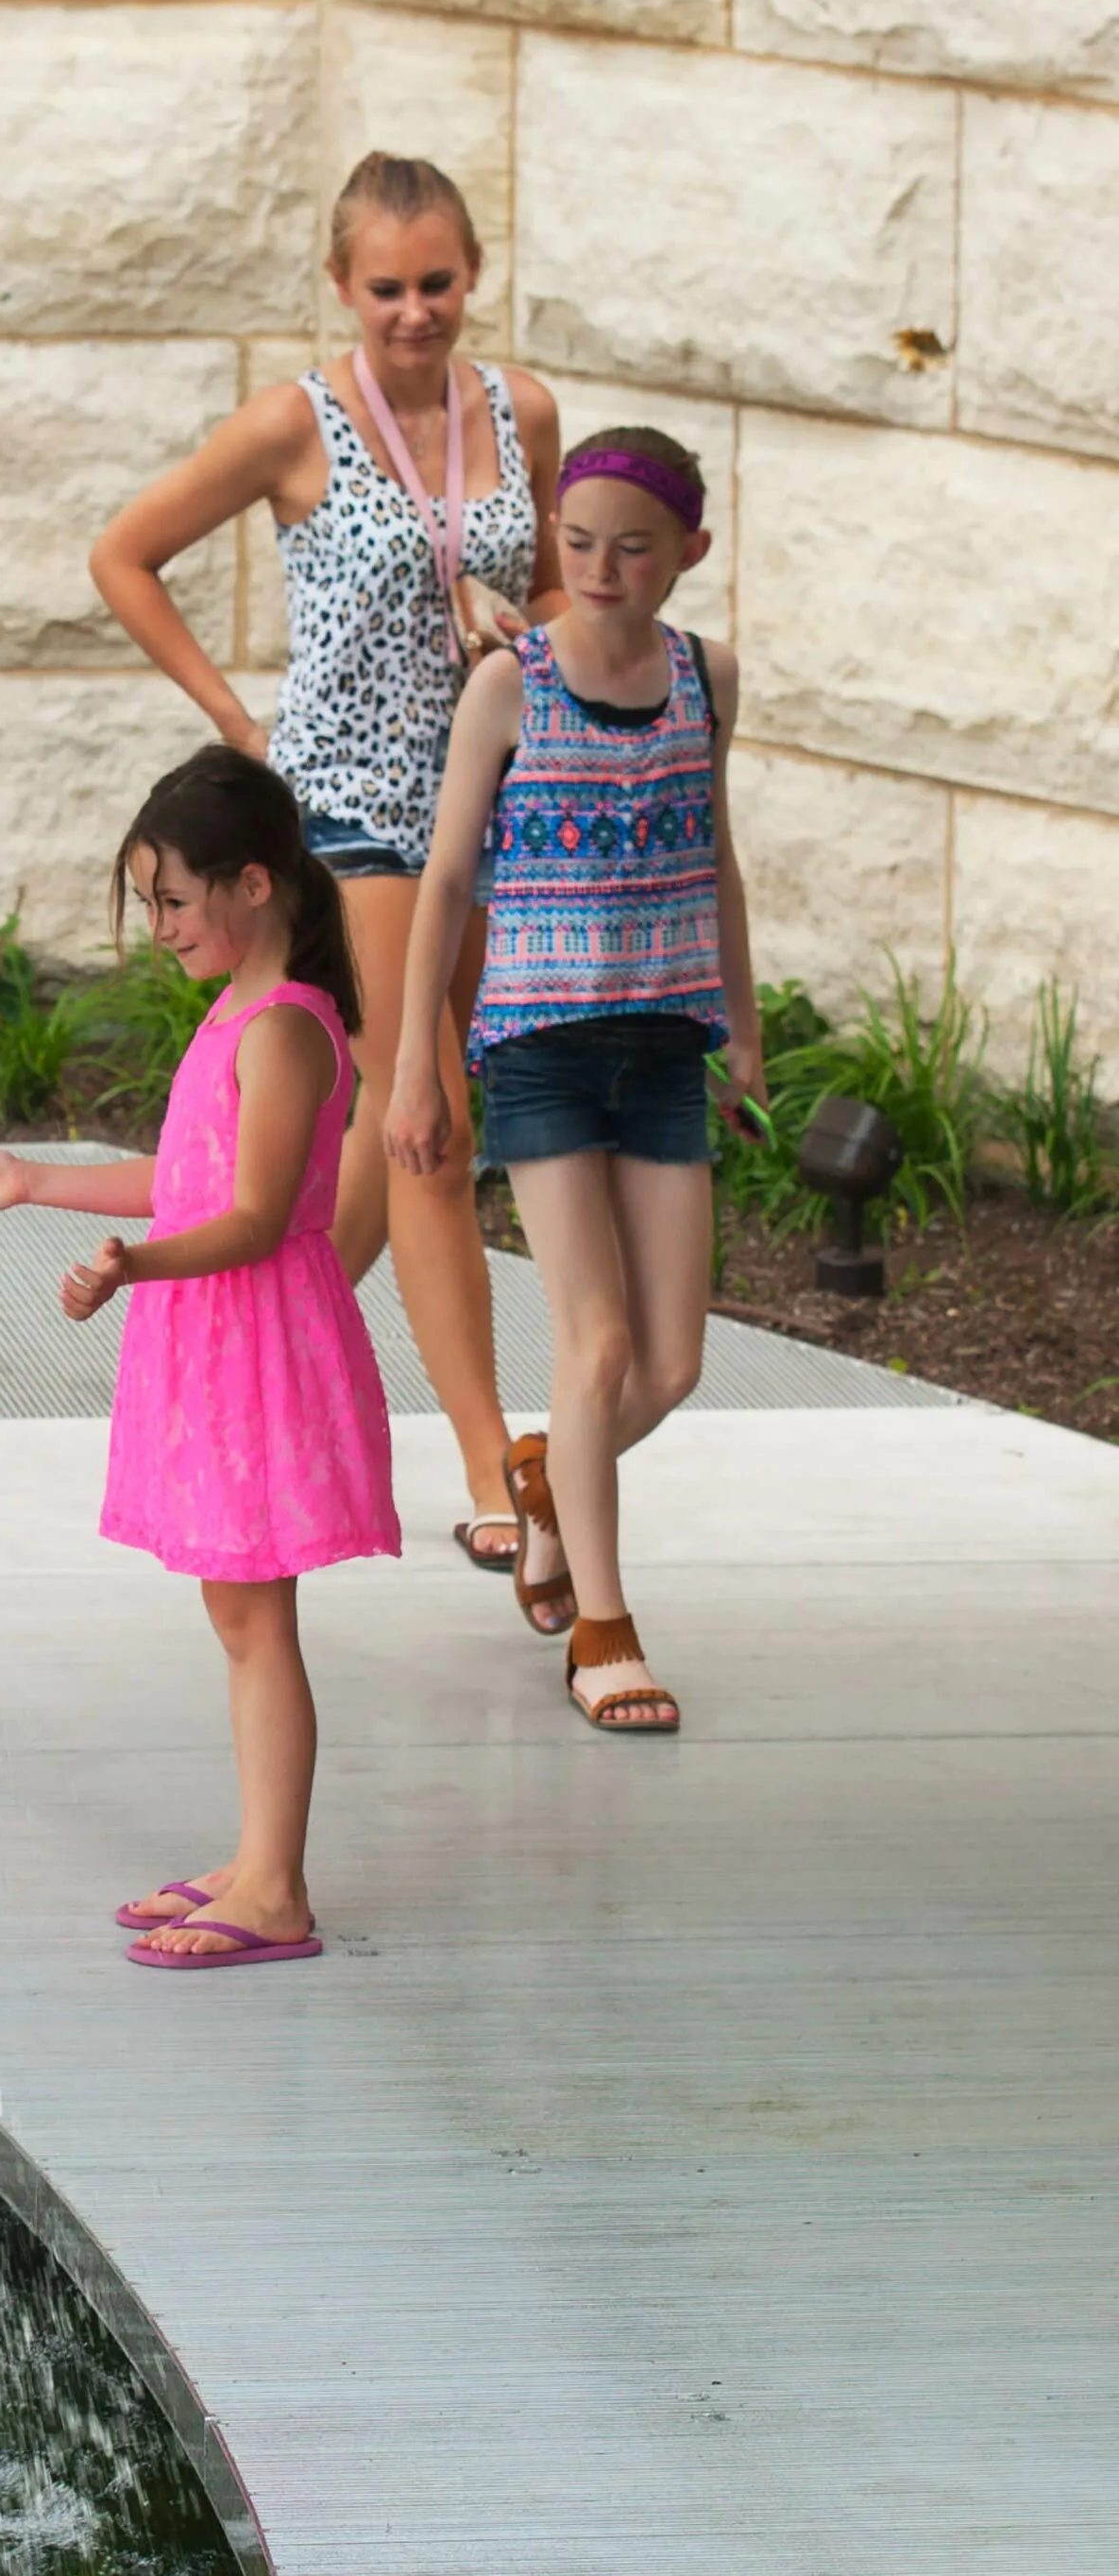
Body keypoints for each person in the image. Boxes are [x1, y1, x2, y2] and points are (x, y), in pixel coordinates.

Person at [87, 152, 562, 1581]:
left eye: (438, 283)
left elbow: (550, 583)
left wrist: (521, 630)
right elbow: (124, 555)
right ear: (342, 286)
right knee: (430, 1120)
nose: (415, 311)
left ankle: (246, 1379)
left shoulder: (519, 410)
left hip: (485, 798)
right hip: (349, 811)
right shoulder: (297, 424)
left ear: (472, 273)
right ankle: (493, 1469)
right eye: (386, 288)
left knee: (364, 1159)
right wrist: (241, 724)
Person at [0, 748, 398, 1970]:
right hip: (217, 1341)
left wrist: (135, 1265)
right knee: (236, 1612)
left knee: (256, 1618)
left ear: (252, 884)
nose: (157, 928)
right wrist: (33, 1183)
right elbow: (185, 1177)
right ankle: (255, 1859)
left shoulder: (286, 1027)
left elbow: (253, 1214)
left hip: (257, 1348)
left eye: (172, 901)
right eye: (148, 905)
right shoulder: (241, 1013)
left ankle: (277, 1889)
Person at [385, 428, 761, 1734]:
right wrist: (411, 1079)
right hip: (537, 1041)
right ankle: (603, 1626)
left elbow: (713, 857)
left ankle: (542, 1493)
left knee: (670, 1369)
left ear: (689, 556)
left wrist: (743, 1029)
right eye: (580, 541)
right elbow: (441, 883)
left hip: (663, 1043)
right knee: (595, 1345)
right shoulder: (512, 685)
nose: (601, 566)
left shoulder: (706, 679)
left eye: (634, 546)